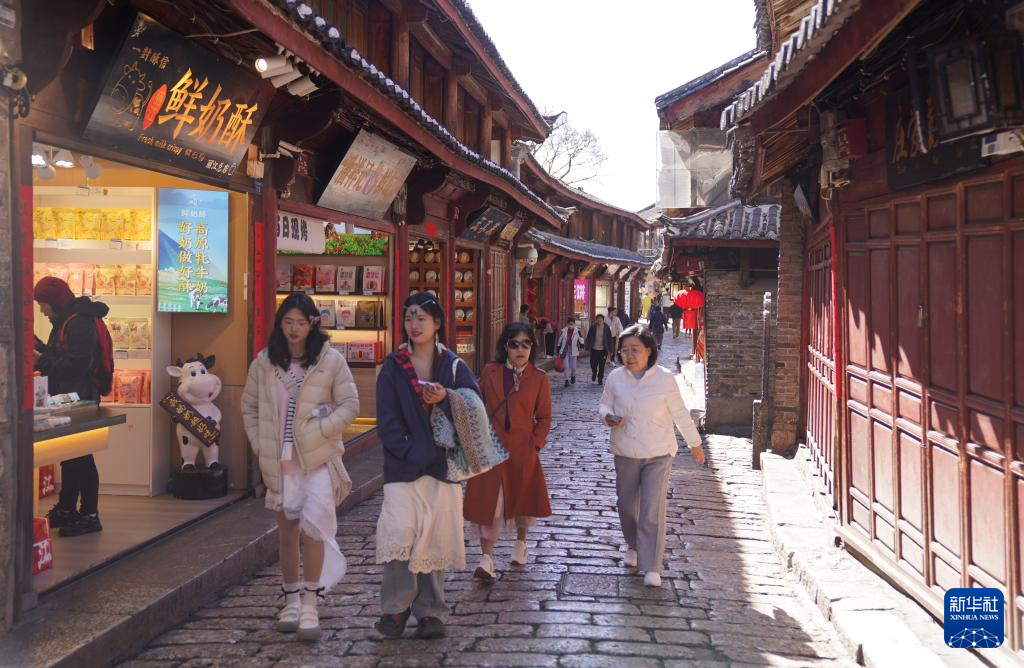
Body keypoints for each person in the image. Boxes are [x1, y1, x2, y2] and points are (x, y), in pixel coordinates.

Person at [242, 293, 357, 641]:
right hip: (280, 462)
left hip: (316, 460)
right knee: (287, 533)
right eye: (288, 322)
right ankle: (290, 599)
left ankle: (310, 602)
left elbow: (349, 404)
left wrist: (322, 430)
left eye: (301, 323)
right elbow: (250, 408)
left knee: (314, 530)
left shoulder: (330, 360)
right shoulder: (265, 362)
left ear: (312, 324)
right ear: (280, 324)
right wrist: (261, 444)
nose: (294, 329)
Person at [374, 293, 480, 640]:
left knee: (433, 536)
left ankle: (431, 610)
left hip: (441, 465)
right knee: (400, 534)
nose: (414, 325)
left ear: (437, 323)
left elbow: (474, 405)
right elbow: (387, 418)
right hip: (402, 466)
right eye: (409, 318)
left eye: (421, 318)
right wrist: (409, 450)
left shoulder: (453, 366)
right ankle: (395, 608)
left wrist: (447, 398)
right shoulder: (394, 366)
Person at [599, 325, 705, 588]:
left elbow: (680, 412)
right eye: (624, 350)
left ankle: (651, 566)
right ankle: (634, 544)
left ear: (649, 350)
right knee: (626, 506)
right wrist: (608, 417)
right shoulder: (615, 378)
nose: (629, 355)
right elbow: (604, 404)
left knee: (651, 509)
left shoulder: (665, 378)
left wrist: (694, 443)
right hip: (625, 450)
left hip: (658, 452)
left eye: (635, 350)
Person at [465, 322, 552, 581]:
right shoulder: (490, 372)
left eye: (526, 344)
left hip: (522, 450)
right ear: (506, 347)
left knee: (522, 501)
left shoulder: (538, 378)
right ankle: (486, 558)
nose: (520, 349)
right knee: (490, 504)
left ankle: (521, 544)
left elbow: (544, 417)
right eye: (514, 344)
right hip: (491, 450)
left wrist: (535, 444)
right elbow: (476, 404)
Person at [34, 277, 110, 537]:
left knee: (81, 457)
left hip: (80, 400)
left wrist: (40, 360)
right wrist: (40, 349)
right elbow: (62, 356)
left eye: (43, 304)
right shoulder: (67, 320)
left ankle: (90, 515)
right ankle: (67, 508)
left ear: (54, 302)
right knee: (70, 456)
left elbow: (75, 366)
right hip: (71, 398)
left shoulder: (78, 323)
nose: (41, 310)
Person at [584, 314, 614, 385]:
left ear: (603, 320)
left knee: (602, 365)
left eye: (601, 320)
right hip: (594, 349)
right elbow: (589, 337)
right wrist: (587, 346)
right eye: (598, 320)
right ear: (596, 320)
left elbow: (609, 339)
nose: (599, 321)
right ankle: (594, 372)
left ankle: (600, 378)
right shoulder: (593, 327)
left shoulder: (606, 328)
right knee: (593, 364)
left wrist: (610, 350)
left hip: (603, 350)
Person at [556, 317, 583, 387]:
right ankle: (566, 380)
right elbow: (560, 340)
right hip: (565, 349)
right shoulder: (563, 331)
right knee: (566, 366)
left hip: (574, 349)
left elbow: (581, 339)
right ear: (567, 324)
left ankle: (573, 376)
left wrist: (582, 345)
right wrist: (558, 348)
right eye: (569, 324)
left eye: (572, 324)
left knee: (573, 367)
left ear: (574, 324)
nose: (571, 325)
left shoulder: (577, 331)